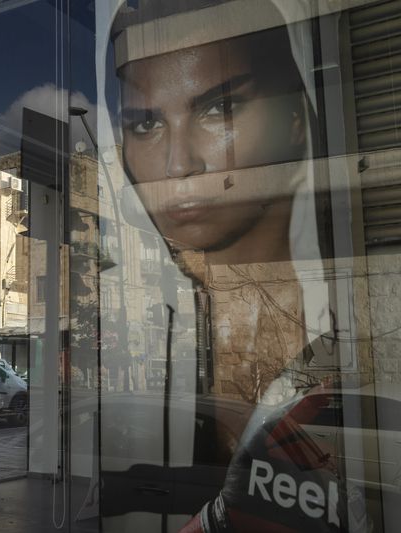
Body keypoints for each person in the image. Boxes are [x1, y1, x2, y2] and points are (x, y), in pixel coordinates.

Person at [104, 1, 365, 531]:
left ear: (296, 121)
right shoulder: (157, 334)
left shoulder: (357, 332)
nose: (179, 164)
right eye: (147, 122)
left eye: (218, 108)